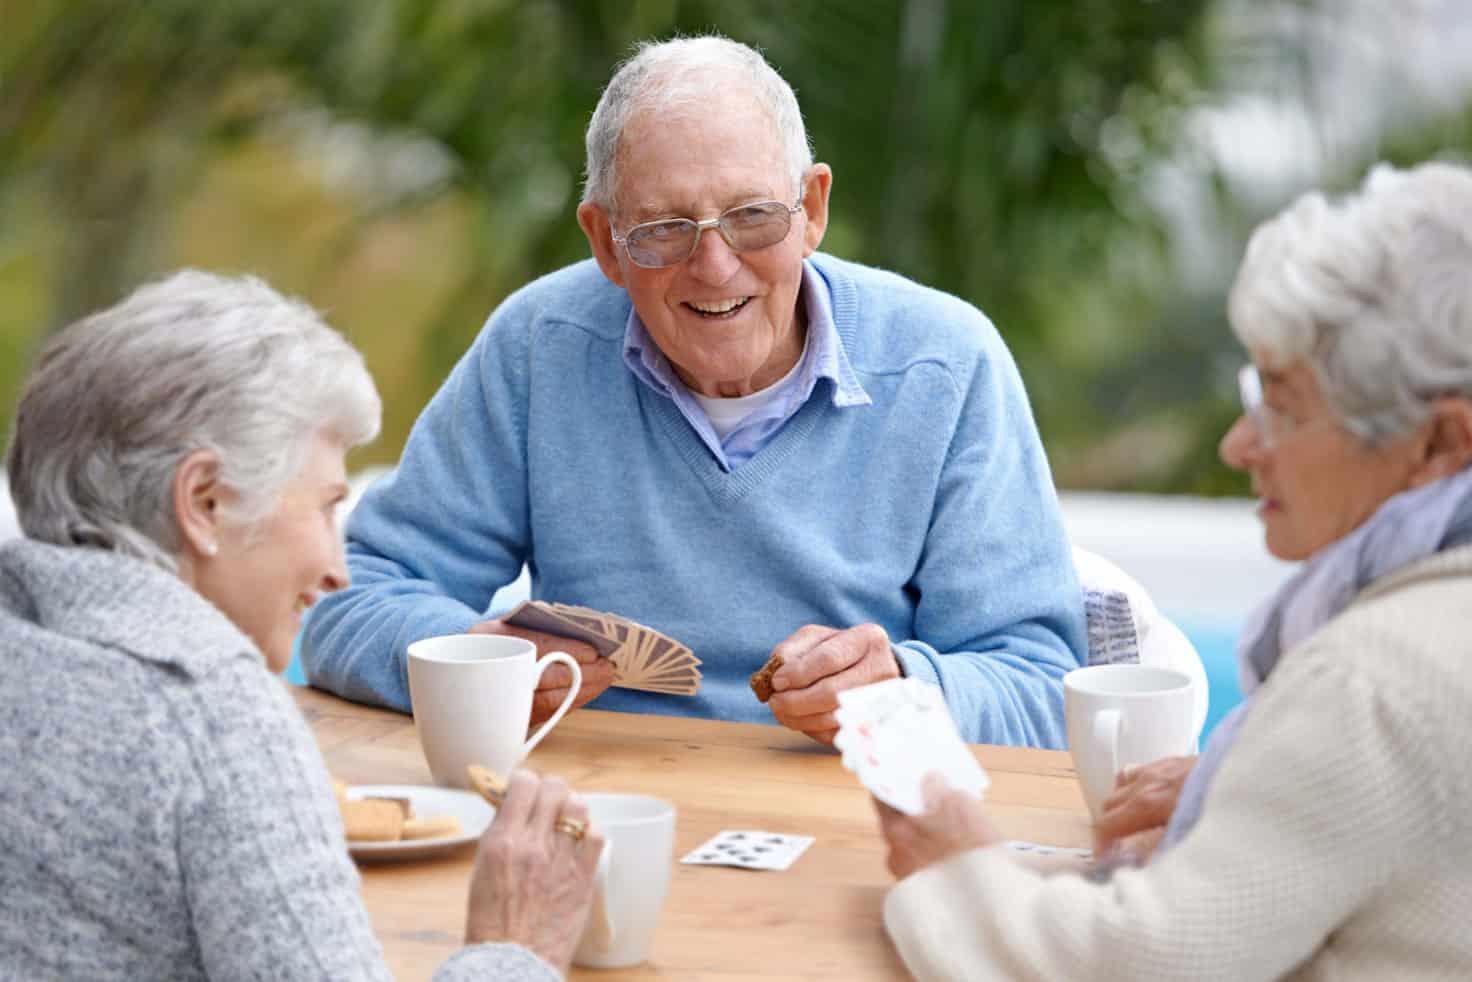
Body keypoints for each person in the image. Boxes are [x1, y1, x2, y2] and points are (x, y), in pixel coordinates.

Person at [301, 35, 1086, 748]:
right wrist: (476, 657)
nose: (715, 267)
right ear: (606, 241)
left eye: (752, 217)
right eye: (664, 228)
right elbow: (344, 601)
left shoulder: (945, 366)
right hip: (601, 812)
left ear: (812, 210)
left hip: (855, 810)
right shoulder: (540, 347)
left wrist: (910, 691)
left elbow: (1046, 686)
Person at [873, 161, 1472, 980]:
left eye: (1285, 408)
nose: (1239, 446)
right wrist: (1241, 794)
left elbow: (1143, 966)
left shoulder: (1369, 684)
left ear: (1439, 444)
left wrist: (954, 865)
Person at [0, 271, 604, 980]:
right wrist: (516, 948)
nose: (337, 569)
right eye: (325, 507)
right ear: (203, 502)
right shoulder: (208, 714)